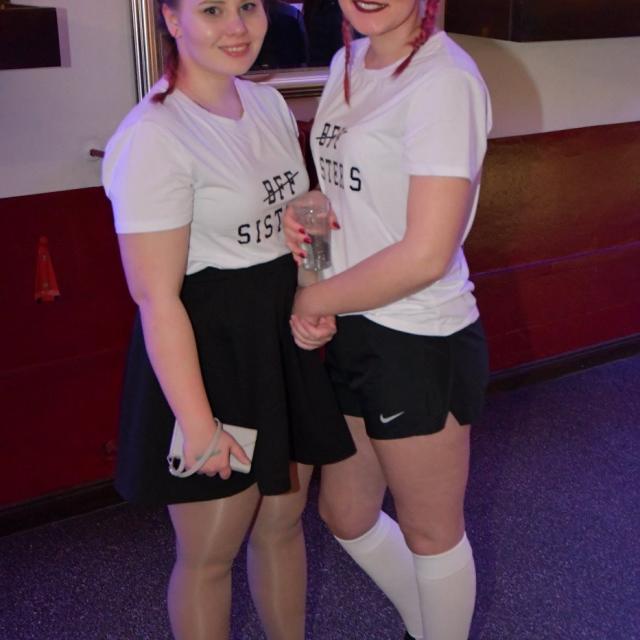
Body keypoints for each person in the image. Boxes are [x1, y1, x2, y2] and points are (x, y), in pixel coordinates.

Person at [101, 1, 354, 638]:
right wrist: (198, 426)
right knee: (210, 555)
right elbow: (156, 299)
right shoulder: (153, 135)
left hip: (278, 337)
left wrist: (314, 292)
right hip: (209, 352)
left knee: (283, 522)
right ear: (172, 19)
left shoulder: (265, 103)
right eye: (212, 8)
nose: (237, 25)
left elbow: (307, 207)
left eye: (248, 5)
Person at [284, 1, 492, 638]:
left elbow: (426, 254)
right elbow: (337, 195)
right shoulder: (347, 61)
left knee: (431, 531)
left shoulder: (443, 80)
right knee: (346, 514)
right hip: (356, 324)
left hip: (419, 335)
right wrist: (311, 238)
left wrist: (315, 300)